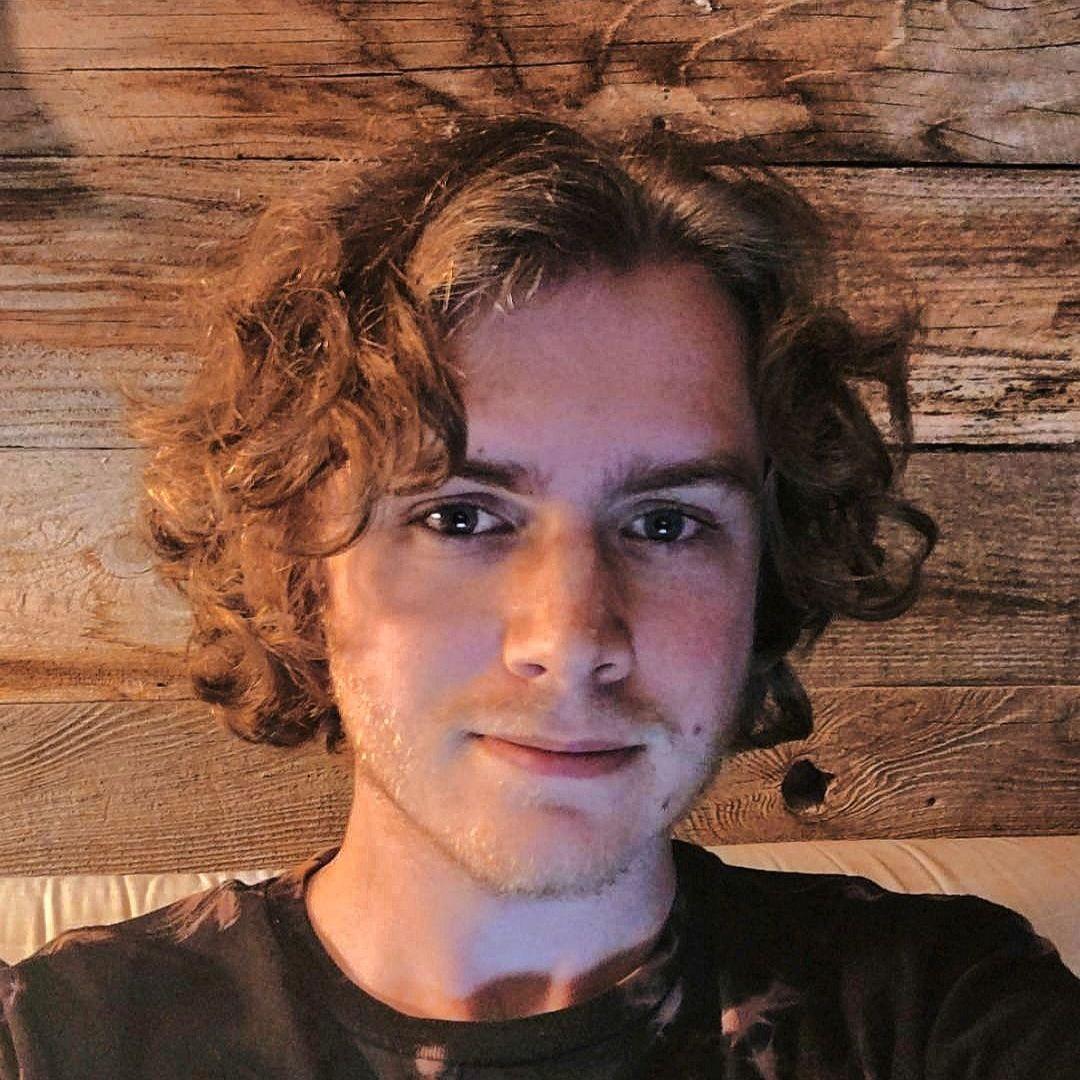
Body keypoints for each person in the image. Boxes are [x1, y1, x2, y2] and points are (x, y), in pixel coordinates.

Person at [1, 115, 1077, 1078]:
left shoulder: (945, 1013)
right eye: (461, 518)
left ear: (770, 568)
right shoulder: (61, 1039)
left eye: (667, 523)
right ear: (301, 565)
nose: (571, 637)